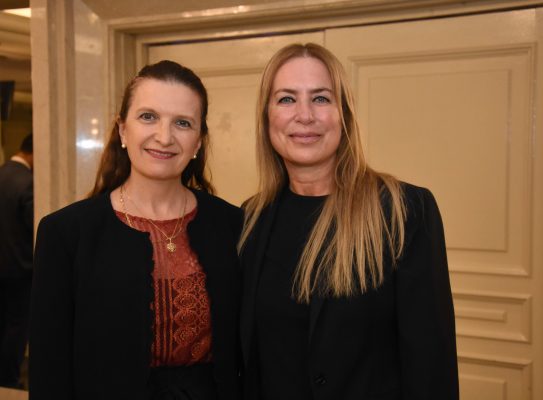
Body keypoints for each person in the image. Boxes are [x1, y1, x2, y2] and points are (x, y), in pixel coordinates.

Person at [239, 43, 459, 400]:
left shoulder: (403, 211)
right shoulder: (249, 220)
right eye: (286, 99)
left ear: (344, 114)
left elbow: (431, 365)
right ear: (266, 117)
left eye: (321, 98)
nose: (305, 115)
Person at [29, 61, 242, 400]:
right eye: (148, 117)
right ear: (123, 130)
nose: (164, 137)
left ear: (198, 142)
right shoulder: (66, 233)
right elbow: (49, 365)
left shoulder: (234, 225)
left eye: (183, 123)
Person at [0, 133, 33, 389]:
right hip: (19, 268)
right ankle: (9, 379)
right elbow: (34, 228)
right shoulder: (27, 182)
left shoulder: (2, 173)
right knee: (17, 325)